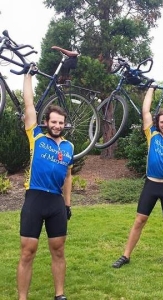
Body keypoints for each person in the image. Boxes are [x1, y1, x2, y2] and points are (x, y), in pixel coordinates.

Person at [112, 86, 163, 274]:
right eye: (162, 122)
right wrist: (151, 88)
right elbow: (145, 110)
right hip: (151, 185)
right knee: (139, 221)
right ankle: (125, 255)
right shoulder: (152, 135)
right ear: (158, 123)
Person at [17, 73, 74, 300]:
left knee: (59, 250)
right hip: (35, 199)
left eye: (61, 122)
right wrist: (27, 76)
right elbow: (29, 104)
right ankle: (23, 297)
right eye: (54, 122)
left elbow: (68, 176)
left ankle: (59, 294)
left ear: (64, 124)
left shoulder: (70, 146)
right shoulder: (37, 137)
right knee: (27, 252)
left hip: (56, 202)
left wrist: (68, 204)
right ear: (47, 122)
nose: (57, 125)